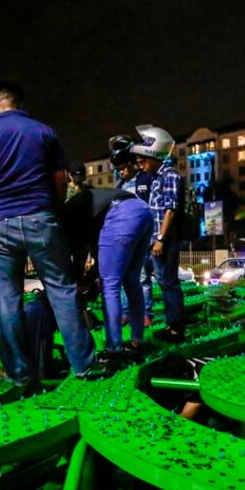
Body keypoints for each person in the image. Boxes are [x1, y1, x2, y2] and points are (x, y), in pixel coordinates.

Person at [0, 82, 98, 386]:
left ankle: (18, 372)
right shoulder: (44, 132)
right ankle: (84, 366)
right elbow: (60, 180)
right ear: (23, 106)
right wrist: (51, 210)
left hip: (0, 223)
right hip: (40, 217)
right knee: (62, 290)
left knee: (7, 299)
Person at [63, 186, 154, 364]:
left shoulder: (68, 222)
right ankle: (137, 340)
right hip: (143, 211)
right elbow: (96, 257)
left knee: (110, 285)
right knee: (132, 280)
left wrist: (81, 281)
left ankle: (114, 349)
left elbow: (80, 255)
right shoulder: (84, 211)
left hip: (119, 214)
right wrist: (87, 279)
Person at [133, 124, 187, 342]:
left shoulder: (170, 176)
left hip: (165, 239)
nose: (141, 164)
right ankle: (171, 325)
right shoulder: (156, 177)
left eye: (144, 160)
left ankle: (176, 328)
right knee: (163, 283)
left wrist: (161, 239)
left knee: (169, 282)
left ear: (155, 154)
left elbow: (170, 210)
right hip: (156, 239)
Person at [111, 135, 154, 326]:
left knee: (143, 277)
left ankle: (145, 313)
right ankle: (126, 312)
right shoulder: (119, 186)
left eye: (123, 168)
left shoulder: (145, 180)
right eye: (118, 170)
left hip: (142, 237)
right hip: (124, 238)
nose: (121, 172)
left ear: (131, 163)